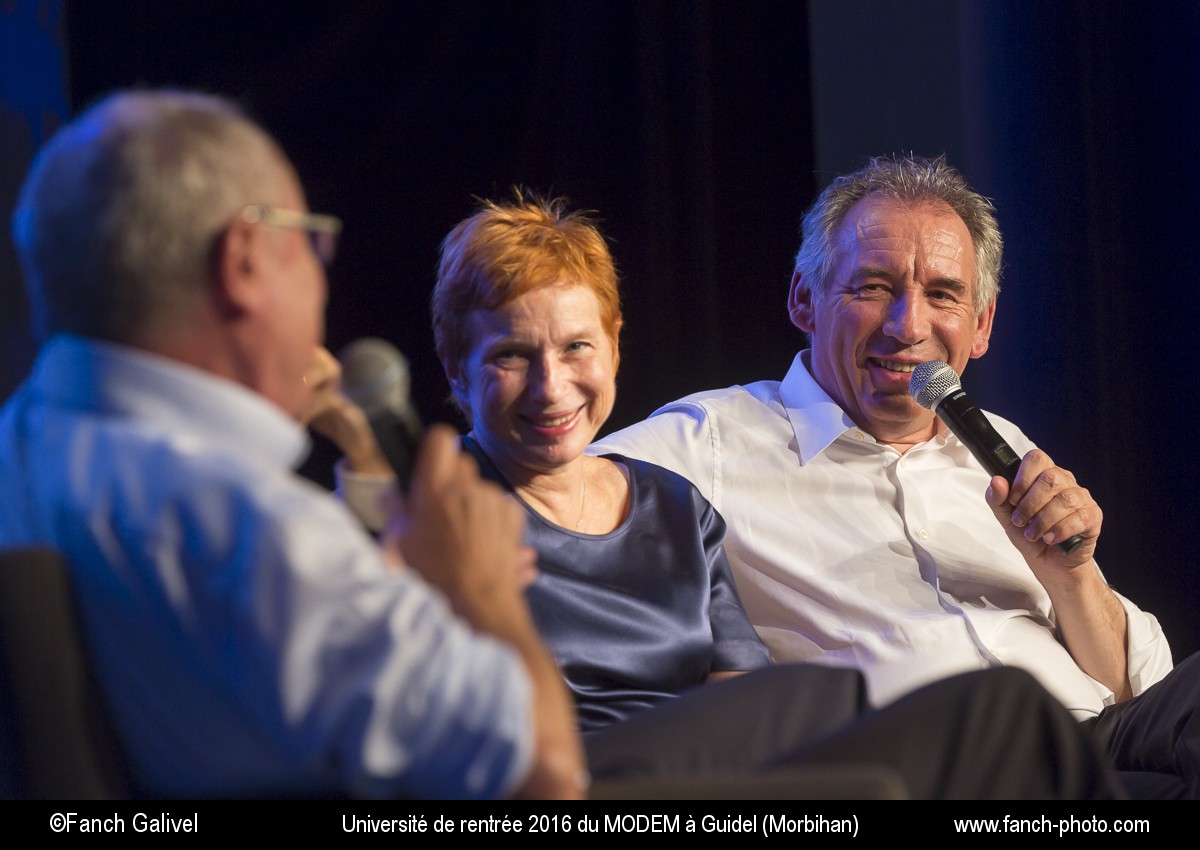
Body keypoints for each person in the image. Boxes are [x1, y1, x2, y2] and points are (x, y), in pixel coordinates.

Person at [334, 191, 1125, 799]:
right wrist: (371, 470)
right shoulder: (447, 501)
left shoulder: (674, 506)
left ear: (614, 347)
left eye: (577, 347)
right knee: (916, 705)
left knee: (903, 721)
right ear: (455, 372)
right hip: (572, 777)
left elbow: (751, 705)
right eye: (512, 354)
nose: (551, 387)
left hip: (715, 777)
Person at [0, 88, 585, 800]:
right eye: (312, 242)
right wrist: (483, 589)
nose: (321, 279)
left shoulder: (27, 438)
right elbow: (545, 779)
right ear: (244, 259)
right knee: (763, 717)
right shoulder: (260, 535)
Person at [593, 154, 1200, 798]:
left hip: (1100, 736)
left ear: (982, 325)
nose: (908, 326)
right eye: (873, 287)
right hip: (949, 768)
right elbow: (543, 492)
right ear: (805, 299)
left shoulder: (1000, 446)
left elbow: (1139, 687)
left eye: (943, 294)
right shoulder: (713, 439)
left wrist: (1071, 579)